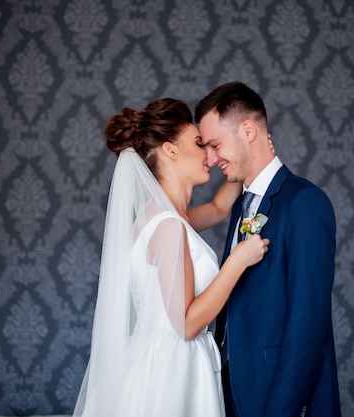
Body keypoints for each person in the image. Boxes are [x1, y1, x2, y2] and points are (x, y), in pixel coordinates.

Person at [72, 98, 270, 417]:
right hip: (173, 368)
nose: (209, 153)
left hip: (160, 357)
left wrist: (246, 159)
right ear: (170, 150)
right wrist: (237, 261)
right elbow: (187, 324)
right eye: (198, 143)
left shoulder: (171, 219)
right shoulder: (169, 228)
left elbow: (220, 208)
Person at [195, 81, 341, 417]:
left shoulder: (305, 202)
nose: (210, 158)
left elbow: (308, 323)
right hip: (230, 392)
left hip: (278, 396)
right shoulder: (238, 206)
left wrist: (281, 409)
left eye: (215, 145)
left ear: (248, 131)